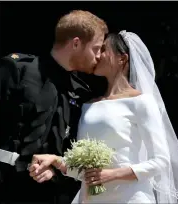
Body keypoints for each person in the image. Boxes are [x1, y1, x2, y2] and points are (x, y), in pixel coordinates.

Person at [29, 31, 178, 203]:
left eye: (104, 50)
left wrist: (111, 174)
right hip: (91, 198)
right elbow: (85, 172)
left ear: (122, 59)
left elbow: (160, 161)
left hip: (130, 197)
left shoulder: (141, 102)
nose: (97, 55)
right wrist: (56, 161)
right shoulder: (88, 105)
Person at [0, 10, 108, 204]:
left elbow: (71, 149)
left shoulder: (82, 93)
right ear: (76, 43)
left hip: (49, 195)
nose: (99, 56)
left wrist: (55, 172)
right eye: (96, 48)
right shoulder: (18, 70)